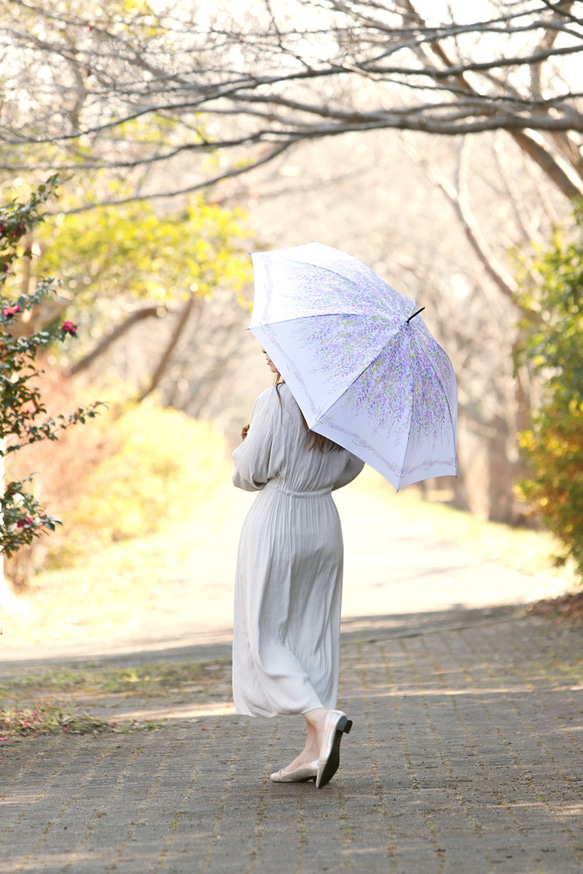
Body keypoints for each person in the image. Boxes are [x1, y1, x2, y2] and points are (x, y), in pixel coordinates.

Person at [232, 348, 364, 788]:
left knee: (265, 635)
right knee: (313, 635)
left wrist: (247, 444)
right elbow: (351, 468)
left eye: (274, 346)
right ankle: (314, 749)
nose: (266, 352)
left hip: (279, 519)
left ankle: (321, 717)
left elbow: (249, 472)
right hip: (323, 521)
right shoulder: (347, 406)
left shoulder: (277, 401)